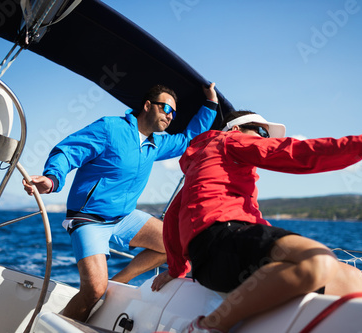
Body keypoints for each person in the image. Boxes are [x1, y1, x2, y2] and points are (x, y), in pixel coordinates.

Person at [151, 110, 362, 333]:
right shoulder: (226, 141)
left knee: (352, 278)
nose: (264, 139)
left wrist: (177, 270)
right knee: (316, 260)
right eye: (261, 132)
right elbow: (296, 152)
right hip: (222, 244)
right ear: (237, 130)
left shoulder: (203, 169)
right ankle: (207, 327)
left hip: (216, 261)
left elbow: (174, 218)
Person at [23, 83, 219, 322]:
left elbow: (190, 138)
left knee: (178, 243)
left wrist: (211, 104)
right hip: (89, 218)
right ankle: (55, 325)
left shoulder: (155, 144)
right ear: (147, 105)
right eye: (166, 107)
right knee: (93, 289)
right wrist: (53, 178)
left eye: (173, 113)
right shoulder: (110, 128)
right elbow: (68, 151)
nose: (170, 115)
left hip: (124, 217)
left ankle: (117, 283)